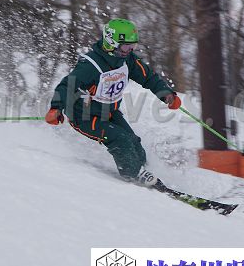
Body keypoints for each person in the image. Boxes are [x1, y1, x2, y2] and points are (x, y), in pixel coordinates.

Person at [45, 18, 181, 186]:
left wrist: (166, 94)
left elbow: (148, 77)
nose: (129, 50)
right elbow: (67, 85)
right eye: (125, 46)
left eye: (133, 46)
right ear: (111, 43)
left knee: (134, 142)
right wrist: (56, 108)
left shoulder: (127, 60)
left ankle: (145, 170)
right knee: (120, 139)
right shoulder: (90, 65)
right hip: (84, 116)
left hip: (109, 112)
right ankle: (133, 175)